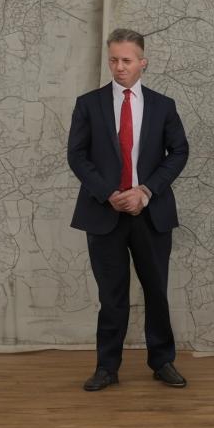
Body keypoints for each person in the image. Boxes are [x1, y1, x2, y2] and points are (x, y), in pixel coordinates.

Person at [67, 28, 190, 391]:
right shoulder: (88, 104)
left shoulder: (162, 106)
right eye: (114, 60)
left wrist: (145, 191)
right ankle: (107, 367)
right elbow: (77, 155)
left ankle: (162, 361)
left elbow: (179, 152)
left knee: (156, 291)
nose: (119, 67)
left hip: (151, 212)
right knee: (112, 296)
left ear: (142, 63)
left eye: (126, 60)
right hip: (104, 213)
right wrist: (110, 193)